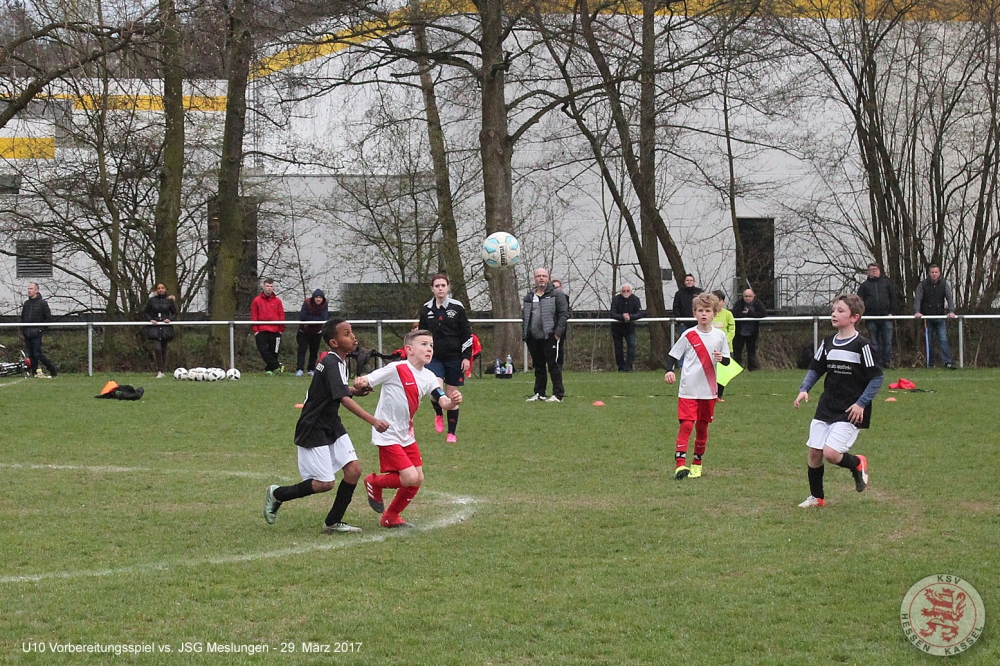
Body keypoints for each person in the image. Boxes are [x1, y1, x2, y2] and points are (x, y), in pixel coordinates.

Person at [264, 318, 389, 533]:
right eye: (346, 334)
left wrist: (354, 390)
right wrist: (374, 420)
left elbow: (336, 389)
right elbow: (342, 399)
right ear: (333, 342)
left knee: (353, 470)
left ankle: (333, 522)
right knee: (324, 483)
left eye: (351, 332)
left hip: (331, 423)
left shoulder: (338, 361)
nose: (353, 337)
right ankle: (277, 494)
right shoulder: (331, 362)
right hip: (313, 426)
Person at [356, 329, 462, 528]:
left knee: (417, 478)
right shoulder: (396, 368)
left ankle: (391, 517)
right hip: (386, 431)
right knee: (410, 477)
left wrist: (453, 401)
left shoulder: (429, 376)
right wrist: (362, 381)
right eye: (424, 344)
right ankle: (374, 482)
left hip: (406, 434)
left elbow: (443, 401)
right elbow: (368, 379)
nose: (429, 349)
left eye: (431, 345)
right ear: (409, 349)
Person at [794, 294, 883, 508]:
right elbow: (816, 369)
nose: (834, 314)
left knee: (831, 454)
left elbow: (877, 378)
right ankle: (817, 498)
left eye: (840, 311)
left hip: (851, 409)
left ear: (854, 317)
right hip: (827, 405)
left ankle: (857, 463)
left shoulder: (862, 346)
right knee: (814, 452)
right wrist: (804, 389)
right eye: (833, 310)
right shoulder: (827, 343)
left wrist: (861, 403)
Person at [663, 293, 730, 480]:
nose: (704, 314)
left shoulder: (720, 336)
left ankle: (697, 463)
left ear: (714, 314)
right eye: (700, 310)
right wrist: (669, 371)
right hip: (688, 389)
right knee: (686, 425)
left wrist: (722, 359)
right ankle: (680, 465)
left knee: (702, 428)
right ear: (694, 313)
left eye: (707, 311)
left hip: (708, 391)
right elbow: (673, 355)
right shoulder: (689, 334)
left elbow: (727, 361)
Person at [419, 273, 472, 443]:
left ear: (448, 287)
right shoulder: (426, 309)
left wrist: (466, 357)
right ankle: (438, 413)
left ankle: (451, 433)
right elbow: (421, 335)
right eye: (437, 286)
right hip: (434, 358)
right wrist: (421, 355)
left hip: (454, 357)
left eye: (443, 285)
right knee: (435, 390)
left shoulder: (457, 307)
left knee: (452, 395)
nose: (440, 289)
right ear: (432, 289)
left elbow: (466, 334)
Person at [521, 267, 569, 402]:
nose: (541, 278)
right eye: (538, 276)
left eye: (544, 276)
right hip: (534, 337)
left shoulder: (556, 295)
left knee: (553, 366)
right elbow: (525, 316)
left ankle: (558, 394)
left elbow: (564, 314)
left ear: (548, 278)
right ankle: (539, 393)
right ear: (534, 279)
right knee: (538, 366)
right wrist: (526, 333)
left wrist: (557, 333)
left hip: (550, 336)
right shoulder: (529, 296)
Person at [914, 264, 958, 369]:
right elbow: (918, 299)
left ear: (939, 273)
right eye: (932, 272)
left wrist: (951, 311)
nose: (934, 274)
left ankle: (948, 362)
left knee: (943, 339)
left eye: (936, 272)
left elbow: (949, 298)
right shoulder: (922, 285)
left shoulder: (944, 284)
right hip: (927, 318)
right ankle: (930, 363)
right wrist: (917, 311)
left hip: (940, 317)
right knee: (928, 340)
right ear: (929, 273)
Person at [856, 262, 898, 368]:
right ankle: (875, 362)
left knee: (887, 342)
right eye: (871, 270)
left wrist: (892, 312)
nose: (873, 271)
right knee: (873, 342)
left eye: (875, 269)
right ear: (868, 272)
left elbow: (893, 298)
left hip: (886, 317)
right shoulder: (864, 286)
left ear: (879, 270)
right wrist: (863, 314)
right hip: (871, 318)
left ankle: (887, 362)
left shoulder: (887, 283)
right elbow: (859, 301)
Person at [20, 282, 58, 378]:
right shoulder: (26, 304)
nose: (29, 291)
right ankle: (35, 372)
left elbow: (48, 319)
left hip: (36, 332)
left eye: (31, 289)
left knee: (37, 354)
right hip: (27, 333)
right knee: (31, 354)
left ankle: (52, 369)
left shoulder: (42, 303)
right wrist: (23, 330)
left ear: (36, 290)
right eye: (28, 289)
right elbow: (23, 318)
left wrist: (40, 329)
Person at [142, 283, 178, 378]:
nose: (160, 290)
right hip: (154, 328)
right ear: (156, 290)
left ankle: (162, 371)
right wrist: (151, 320)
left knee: (164, 350)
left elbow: (175, 313)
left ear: (165, 289)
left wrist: (170, 319)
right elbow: (145, 312)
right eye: (158, 288)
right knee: (157, 349)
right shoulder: (152, 300)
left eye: (162, 288)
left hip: (165, 328)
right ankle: (159, 370)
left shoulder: (169, 300)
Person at [251, 278, 286, 374]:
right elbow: (254, 315)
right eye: (267, 286)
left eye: (271, 286)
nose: (269, 288)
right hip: (261, 329)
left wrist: (281, 329)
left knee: (274, 352)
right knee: (263, 350)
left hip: (275, 330)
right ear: (263, 287)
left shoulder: (277, 301)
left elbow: (281, 315)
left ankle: (269, 370)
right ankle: (277, 366)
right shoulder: (256, 301)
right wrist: (256, 330)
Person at [609, 283, 643, 372]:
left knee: (632, 346)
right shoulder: (616, 299)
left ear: (631, 291)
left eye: (628, 291)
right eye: (624, 291)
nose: (626, 292)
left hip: (629, 328)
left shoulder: (636, 299)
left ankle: (629, 367)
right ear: (621, 292)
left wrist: (630, 317)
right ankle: (621, 367)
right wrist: (623, 317)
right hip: (617, 328)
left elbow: (640, 313)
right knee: (618, 348)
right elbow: (612, 313)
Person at [296, 289, 328, 377]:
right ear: (313, 298)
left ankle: (311, 369)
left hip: (317, 332)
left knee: (314, 352)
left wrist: (311, 319)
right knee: (302, 350)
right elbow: (303, 317)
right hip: (304, 331)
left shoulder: (325, 304)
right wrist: (315, 319)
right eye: (317, 297)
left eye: (320, 297)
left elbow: (323, 318)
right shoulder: (307, 303)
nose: (318, 299)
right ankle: (299, 369)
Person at [732, 288, 766, 371]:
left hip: (752, 333)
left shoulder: (758, 303)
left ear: (753, 296)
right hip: (739, 333)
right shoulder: (739, 303)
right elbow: (734, 313)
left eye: (750, 296)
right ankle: (737, 369)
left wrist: (750, 313)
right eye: (746, 296)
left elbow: (763, 313)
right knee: (737, 352)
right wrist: (745, 315)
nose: (748, 298)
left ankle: (752, 368)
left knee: (752, 352)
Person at [711, 290, 735, 400]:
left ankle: (719, 395)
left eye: (718, 301)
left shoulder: (728, 314)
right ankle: (710, 394)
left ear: (722, 302)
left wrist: (725, 342)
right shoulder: (710, 314)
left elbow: (732, 330)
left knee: (723, 374)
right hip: (711, 348)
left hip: (726, 349)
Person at [551, 279, 568, 368]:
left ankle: (559, 366)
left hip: (561, 327)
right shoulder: (549, 298)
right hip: (551, 326)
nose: (556, 289)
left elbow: (564, 312)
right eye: (554, 287)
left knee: (560, 347)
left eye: (558, 287)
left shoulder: (565, 298)